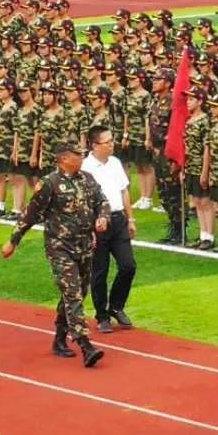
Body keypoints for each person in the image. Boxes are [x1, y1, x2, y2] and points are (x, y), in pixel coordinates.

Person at [2, 142, 110, 367]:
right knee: (72, 294)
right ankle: (85, 345)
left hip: (84, 247)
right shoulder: (50, 183)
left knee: (78, 291)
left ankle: (60, 338)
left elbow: (102, 201)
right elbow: (30, 215)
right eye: (77, 155)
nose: (81, 158)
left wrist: (103, 217)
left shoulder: (87, 179)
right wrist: (13, 241)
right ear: (64, 159)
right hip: (60, 247)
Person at [82, 125, 138, 334]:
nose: (112, 144)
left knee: (128, 266)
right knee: (100, 271)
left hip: (118, 219)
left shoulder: (115, 163)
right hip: (97, 223)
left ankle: (116, 305)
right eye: (107, 142)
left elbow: (124, 191)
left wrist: (130, 218)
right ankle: (102, 314)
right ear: (95, 145)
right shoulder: (86, 168)